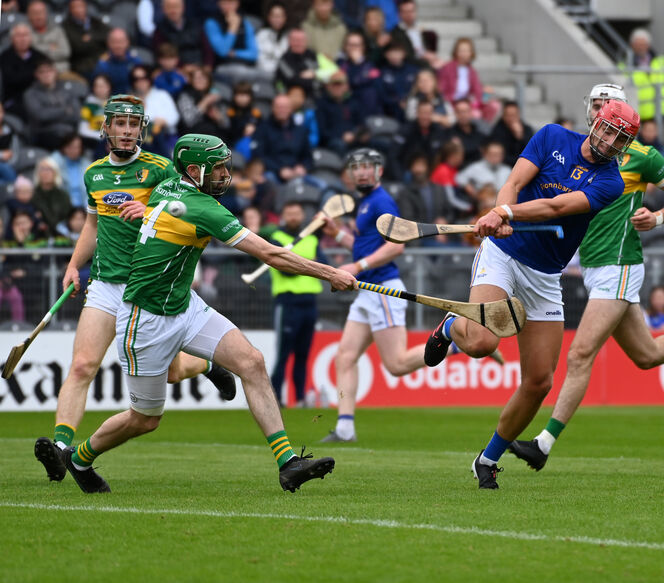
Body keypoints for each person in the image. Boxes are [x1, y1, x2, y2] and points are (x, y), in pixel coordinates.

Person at [53, 133, 356, 493]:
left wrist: (145, 209)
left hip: (185, 306)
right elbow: (271, 255)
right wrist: (330, 273)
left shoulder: (169, 185)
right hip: (145, 320)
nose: (226, 175)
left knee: (252, 362)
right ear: (194, 171)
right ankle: (79, 457)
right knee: (145, 420)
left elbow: (161, 202)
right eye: (219, 169)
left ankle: (288, 463)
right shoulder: (202, 208)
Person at [506, 85, 664, 476]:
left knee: (579, 354)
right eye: (599, 107)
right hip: (594, 266)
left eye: (611, 107)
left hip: (619, 264)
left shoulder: (641, 157)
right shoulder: (574, 152)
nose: (603, 115)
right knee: (646, 354)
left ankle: (543, 444)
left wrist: (657, 218)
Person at [422, 100, 643, 488]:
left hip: (545, 276)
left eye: (619, 138)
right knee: (480, 342)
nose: (609, 141)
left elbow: (558, 206)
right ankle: (453, 325)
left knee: (540, 381)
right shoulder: (552, 136)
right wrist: (499, 211)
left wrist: (508, 215)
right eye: (608, 130)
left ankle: (487, 459)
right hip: (503, 255)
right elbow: (514, 184)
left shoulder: (610, 181)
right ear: (595, 122)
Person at [33, 96, 238, 486]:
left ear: (141, 129)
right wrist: (74, 265)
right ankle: (61, 449)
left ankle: (207, 365)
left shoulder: (161, 169)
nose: (126, 130)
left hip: (149, 286)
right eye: (119, 123)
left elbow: (186, 207)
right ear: (105, 128)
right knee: (81, 366)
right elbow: (92, 226)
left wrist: (151, 212)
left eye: (133, 124)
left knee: (175, 372)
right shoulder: (93, 174)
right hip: (107, 285)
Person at [317, 149, 439, 442]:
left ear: (379, 171)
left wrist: (356, 267)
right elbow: (364, 247)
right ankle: (345, 429)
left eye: (366, 167)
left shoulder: (382, 201)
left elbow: (397, 247)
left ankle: (452, 342)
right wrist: (337, 234)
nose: (360, 172)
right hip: (366, 291)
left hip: (383, 288)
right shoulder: (365, 203)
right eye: (355, 167)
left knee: (396, 365)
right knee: (345, 356)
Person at [268, 201, 325, 407]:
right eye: (289, 213)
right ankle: (276, 400)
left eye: (296, 213)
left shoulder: (311, 238)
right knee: (283, 354)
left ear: (302, 216)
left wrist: (299, 261)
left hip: (309, 301)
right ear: (283, 215)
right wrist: (309, 261)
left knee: (303, 354)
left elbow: (324, 265)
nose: (293, 217)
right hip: (287, 301)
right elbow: (284, 270)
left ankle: (300, 398)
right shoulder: (276, 239)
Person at [250, 94, 312, 183]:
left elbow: (308, 157)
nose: (282, 110)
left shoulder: (300, 130)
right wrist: (279, 169)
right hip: (271, 173)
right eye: (279, 107)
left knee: (323, 186)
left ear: (291, 109)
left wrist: (302, 167)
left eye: (285, 107)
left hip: (296, 174)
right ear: (273, 108)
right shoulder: (262, 129)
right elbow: (258, 155)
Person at [622, 28, 664, 124]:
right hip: (639, 119)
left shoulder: (661, 61)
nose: (641, 47)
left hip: (663, 115)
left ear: (648, 45)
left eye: (643, 44)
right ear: (632, 46)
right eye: (638, 45)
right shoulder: (625, 65)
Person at [23, 58, 83, 150]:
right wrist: (64, 110)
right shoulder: (31, 94)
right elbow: (41, 116)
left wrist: (53, 113)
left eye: (49, 71)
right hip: (44, 135)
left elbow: (76, 113)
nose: (46, 75)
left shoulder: (66, 89)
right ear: (36, 74)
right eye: (42, 72)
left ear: (55, 72)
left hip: (69, 132)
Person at [436, 37, 499, 122]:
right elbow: (441, 90)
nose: (464, 54)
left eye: (467, 51)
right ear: (456, 52)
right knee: (475, 114)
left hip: (469, 103)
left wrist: (487, 95)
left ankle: (484, 130)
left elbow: (478, 94)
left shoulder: (472, 71)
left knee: (494, 105)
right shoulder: (447, 68)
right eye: (461, 50)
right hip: (452, 103)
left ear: (471, 53)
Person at [0, 23, 47, 117]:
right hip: (15, 100)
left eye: (25, 35)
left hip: (40, 96)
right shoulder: (5, 57)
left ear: (31, 38)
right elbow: (12, 80)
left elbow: (47, 76)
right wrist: (34, 74)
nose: (22, 39)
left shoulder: (39, 56)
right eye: (18, 36)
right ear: (11, 39)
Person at [153, 0, 213, 71]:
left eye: (176, 7)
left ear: (183, 7)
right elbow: (162, 53)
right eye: (169, 7)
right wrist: (183, 67)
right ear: (163, 9)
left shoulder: (195, 25)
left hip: (200, 66)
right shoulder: (159, 30)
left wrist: (208, 65)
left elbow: (207, 49)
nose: (173, 10)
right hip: (176, 70)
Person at [62, 0, 110, 81]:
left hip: (102, 60)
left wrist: (91, 38)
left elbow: (108, 36)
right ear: (70, 9)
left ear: (86, 7)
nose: (78, 10)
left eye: (81, 6)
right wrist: (96, 40)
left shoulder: (95, 22)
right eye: (75, 7)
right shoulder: (66, 26)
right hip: (81, 65)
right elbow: (78, 46)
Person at [92, 28, 142, 95]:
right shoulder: (103, 65)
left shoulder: (136, 62)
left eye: (121, 41)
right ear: (108, 43)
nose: (118, 45)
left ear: (127, 42)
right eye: (114, 42)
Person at [27, 0, 71, 74]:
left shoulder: (57, 30)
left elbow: (65, 52)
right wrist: (51, 48)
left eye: (41, 12)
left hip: (60, 71)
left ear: (46, 13)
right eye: (34, 13)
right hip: (35, 73)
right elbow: (27, 56)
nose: (38, 16)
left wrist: (38, 50)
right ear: (28, 15)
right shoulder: (24, 32)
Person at [50, 133, 92, 209]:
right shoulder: (54, 163)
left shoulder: (88, 165)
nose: (74, 150)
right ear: (64, 147)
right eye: (70, 147)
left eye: (77, 147)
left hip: (84, 209)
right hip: (62, 208)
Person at [32, 157, 72, 236]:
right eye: (42, 169)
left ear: (55, 172)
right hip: (38, 236)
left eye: (49, 169)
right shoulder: (32, 195)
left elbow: (67, 218)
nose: (45, 172)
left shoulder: (63, 195)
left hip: (61, 235)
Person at [489, 100, 534, 168]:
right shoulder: (497, 130)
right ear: (503, 116)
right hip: (503, 167)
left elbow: (531, 153)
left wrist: (520, 137)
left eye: (513, 115)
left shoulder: (527, 129)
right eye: (508, 115)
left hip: (523, 166)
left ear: (518, 115)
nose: (511, 119)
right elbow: (499, 155)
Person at [255, 1, 290, 81]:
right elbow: (260, 61)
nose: (277, 19)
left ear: (285, 18)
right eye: (274, 16)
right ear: (268, 17)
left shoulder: (289, 36)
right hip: (264, 74)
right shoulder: (261, 35)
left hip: (284, 75)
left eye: (280, 16)